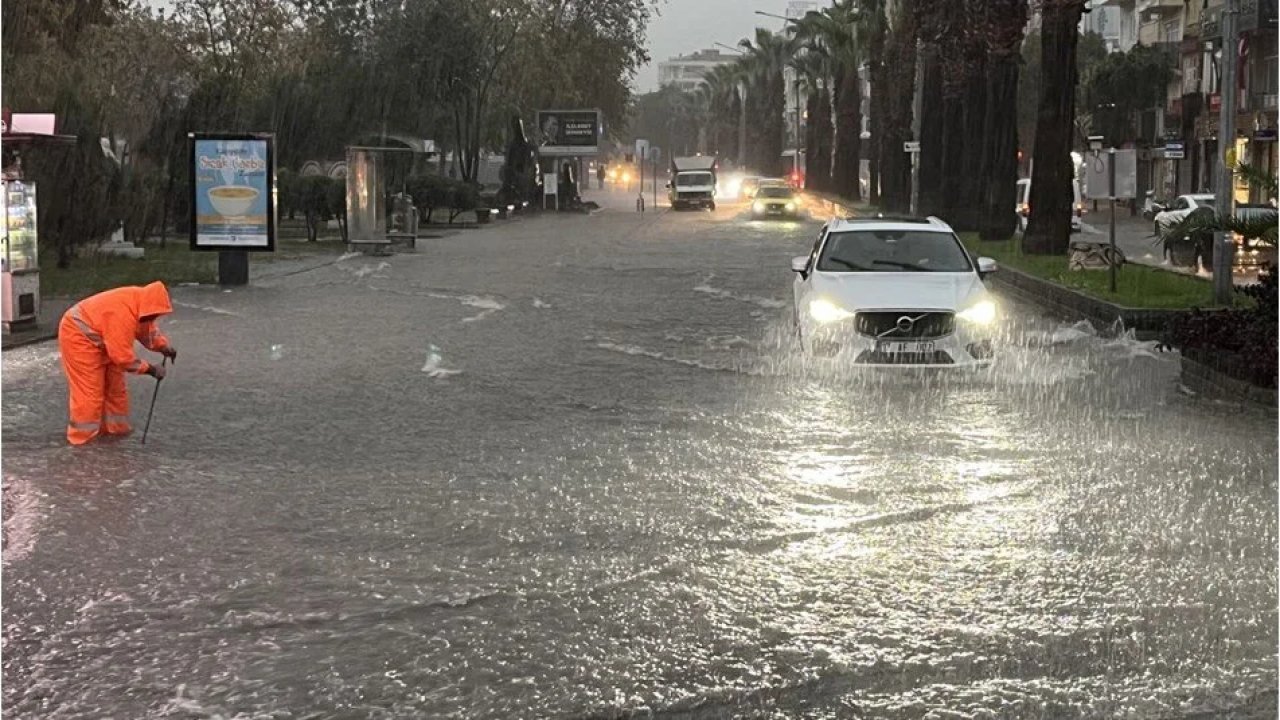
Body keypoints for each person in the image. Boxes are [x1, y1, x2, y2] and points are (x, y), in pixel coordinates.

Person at [58, 281, 177, 445]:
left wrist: (163, 346)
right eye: (154, 315)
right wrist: (151, 369)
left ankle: (115, 430)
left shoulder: (140, 304)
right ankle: (82, 440)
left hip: (103, 336)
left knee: (116, 389)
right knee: (90, 392)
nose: (154, 318)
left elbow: (146, 330)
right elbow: (122, 359)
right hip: (78, 337)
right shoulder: (122, 314)